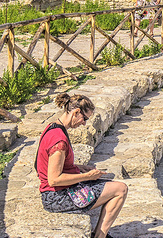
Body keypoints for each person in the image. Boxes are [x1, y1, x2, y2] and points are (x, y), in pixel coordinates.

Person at [36, 93, 128, 238]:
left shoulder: (52, 128)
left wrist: (78, 168)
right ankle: (100, 236)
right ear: (76, 112)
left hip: (54, 193)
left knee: (109, 184)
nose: (84, 123)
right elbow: (54, 179)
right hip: (57, 197)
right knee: (120, 189)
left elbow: (50, 163)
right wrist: (86, 176)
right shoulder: (59, 141)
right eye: (84, 118)